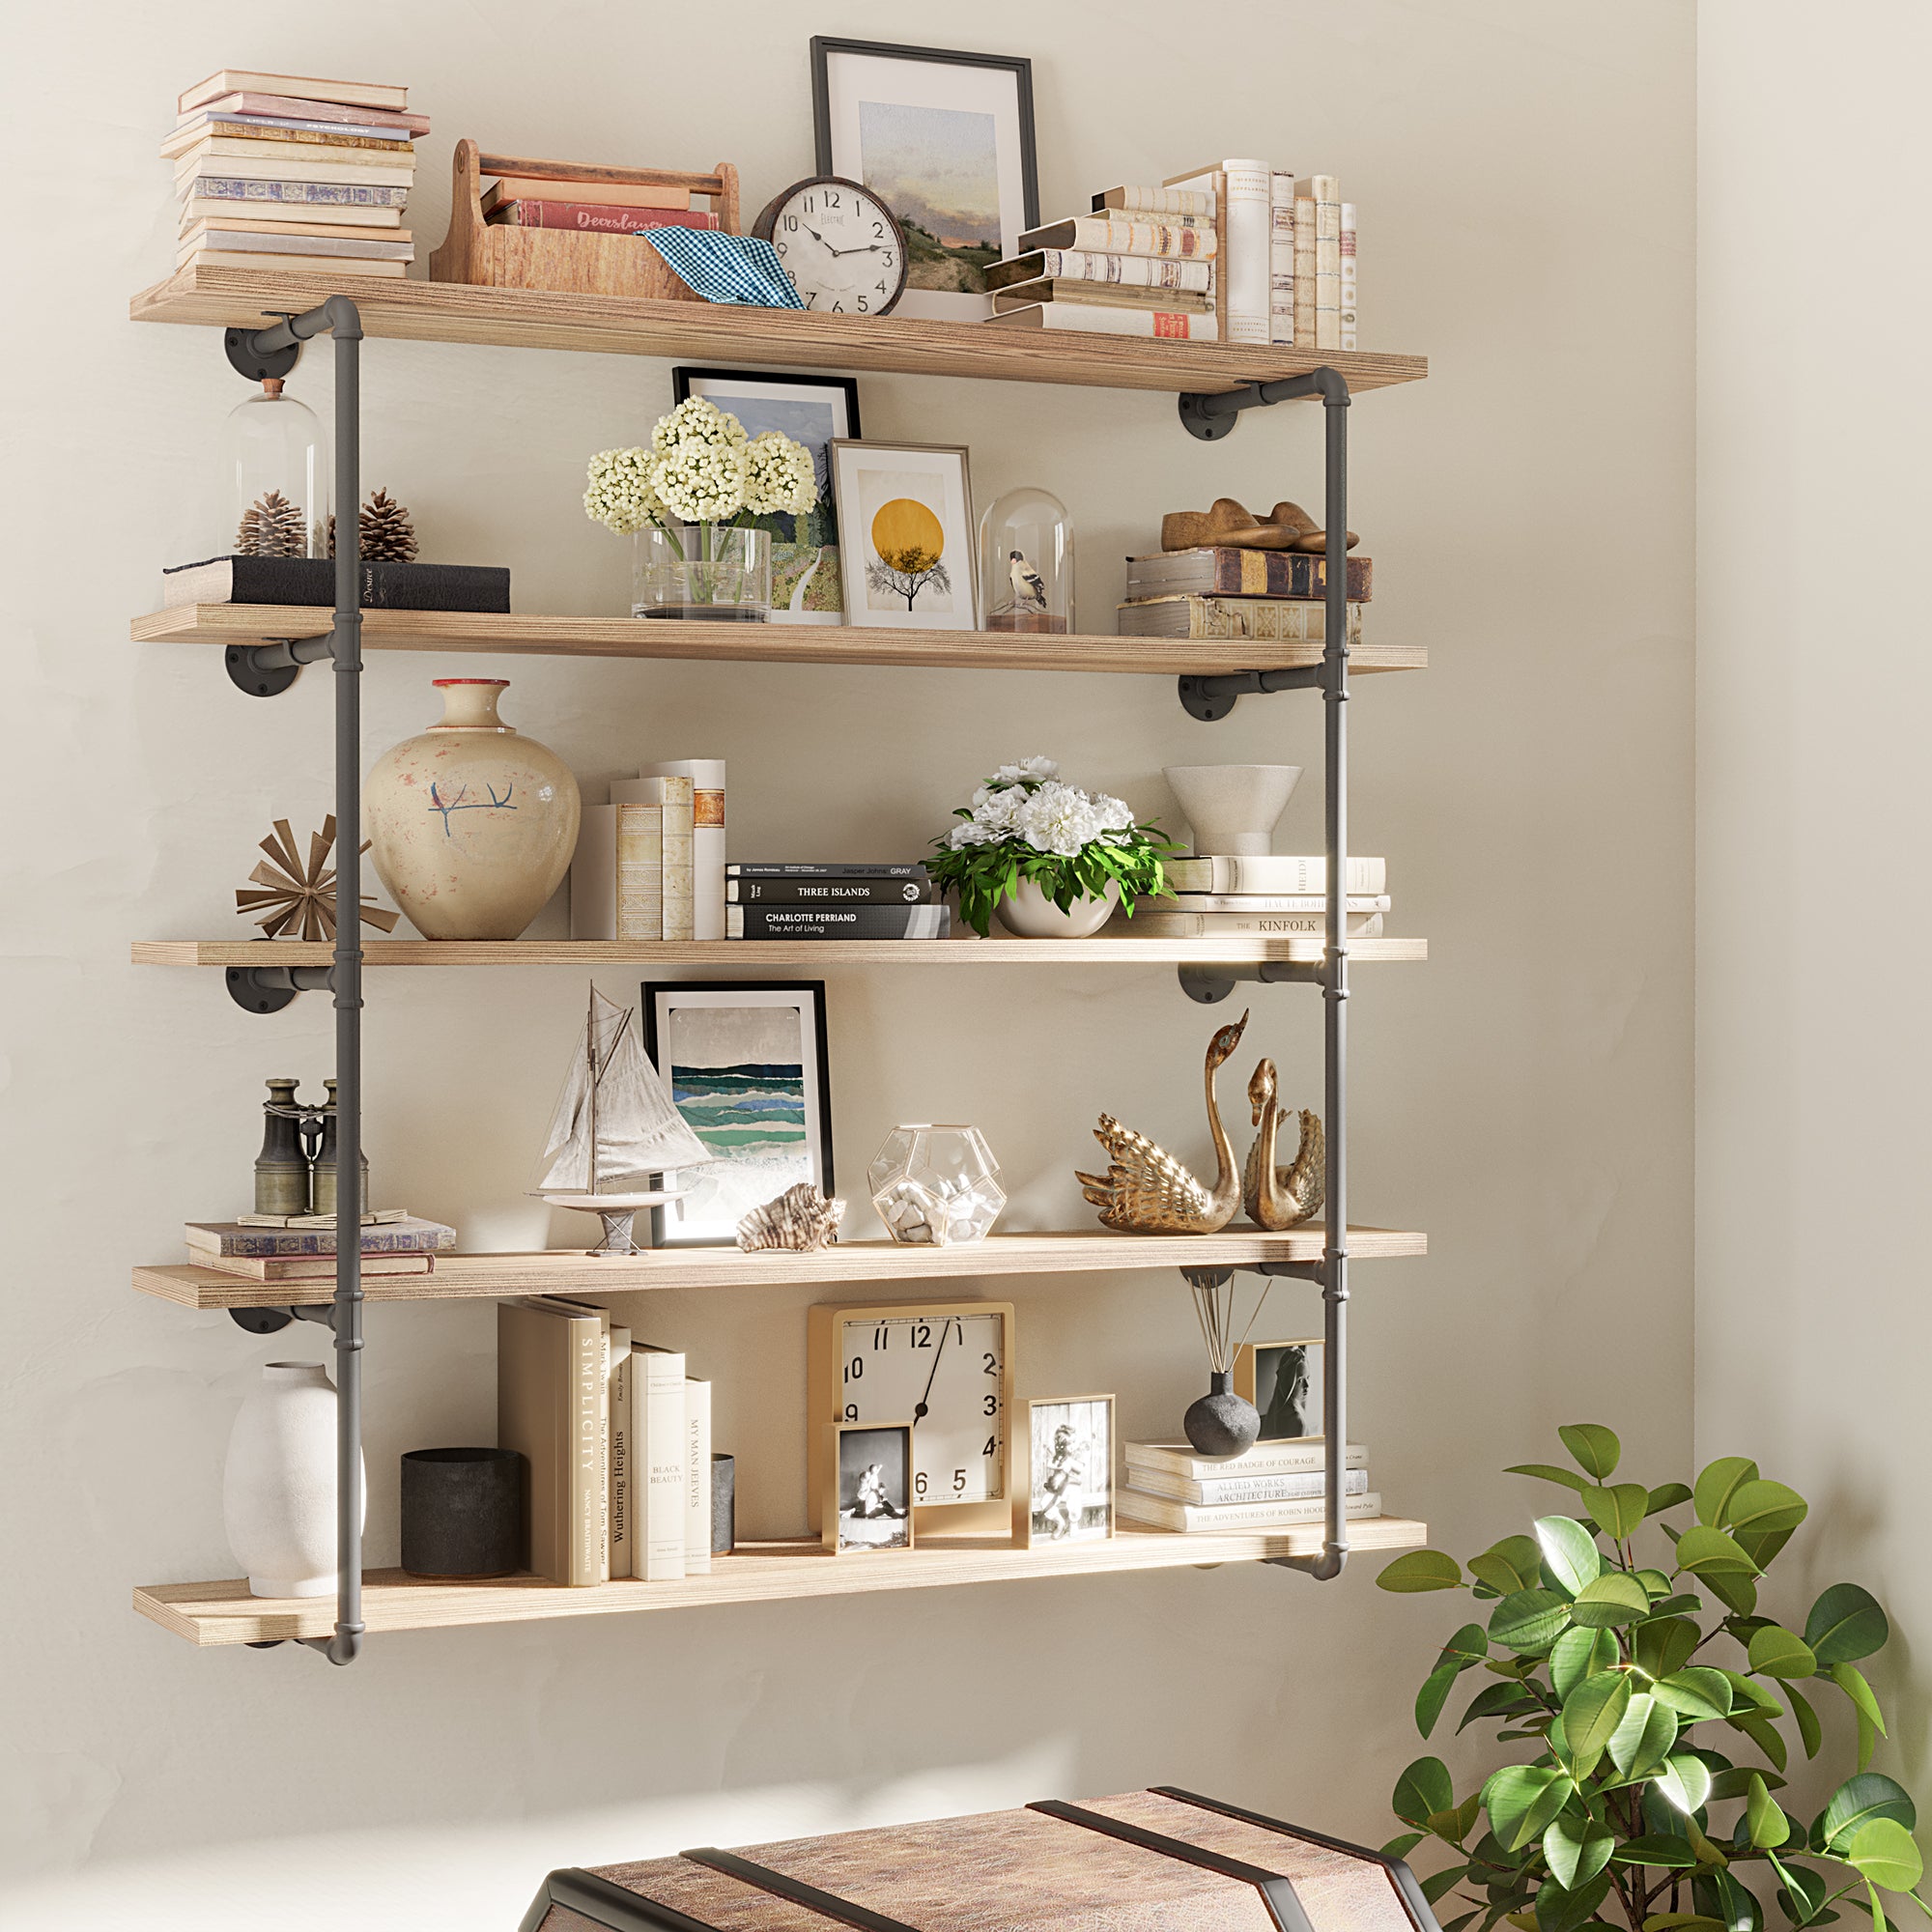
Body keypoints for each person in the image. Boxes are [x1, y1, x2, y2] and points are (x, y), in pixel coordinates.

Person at [1037, 1422, 1086, 1539]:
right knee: (1045, 1504)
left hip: (1072, 1487)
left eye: (1074, 1442)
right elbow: (1050, 1464)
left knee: (1075, 1503)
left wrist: (1068, 1461)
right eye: (1068, 1444)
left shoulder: (1077, 1454)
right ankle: (1061, 1524)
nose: (1072, 1446)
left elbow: (1080, 1468)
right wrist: (1059, 1462)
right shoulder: (1058, 1454)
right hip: (1058, 1488)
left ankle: (1073, 1523)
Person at [1260, 1346, 1312, 1440]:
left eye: (1308, 1377)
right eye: (1300, 1380)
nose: (1307, 1385)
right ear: (1288, 1382)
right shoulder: (1297, 1421)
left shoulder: (1274, 1413)